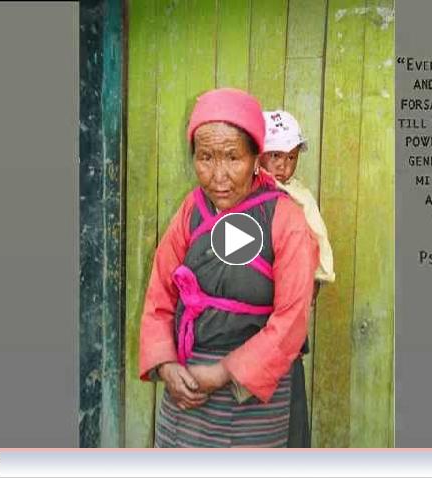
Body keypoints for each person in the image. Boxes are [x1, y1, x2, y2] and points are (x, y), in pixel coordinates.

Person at [139, 88, 319, 448]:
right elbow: (160, 295)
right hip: (187, 387)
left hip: (253, 392)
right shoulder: (192, 212)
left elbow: (291, 320)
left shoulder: (285, 219)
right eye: (205, 157)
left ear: (256, 157)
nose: (218, 175)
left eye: (232, 158)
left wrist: (224, 373)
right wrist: (165, 365)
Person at [260, 110, 336, 447]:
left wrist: (309, 285)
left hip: (286, 332)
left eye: (291, 158)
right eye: (276, 156)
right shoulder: (239, 197)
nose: (284, 167)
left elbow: (316, 247)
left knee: (288, 426)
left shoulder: (299, 198)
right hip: (244, 334)